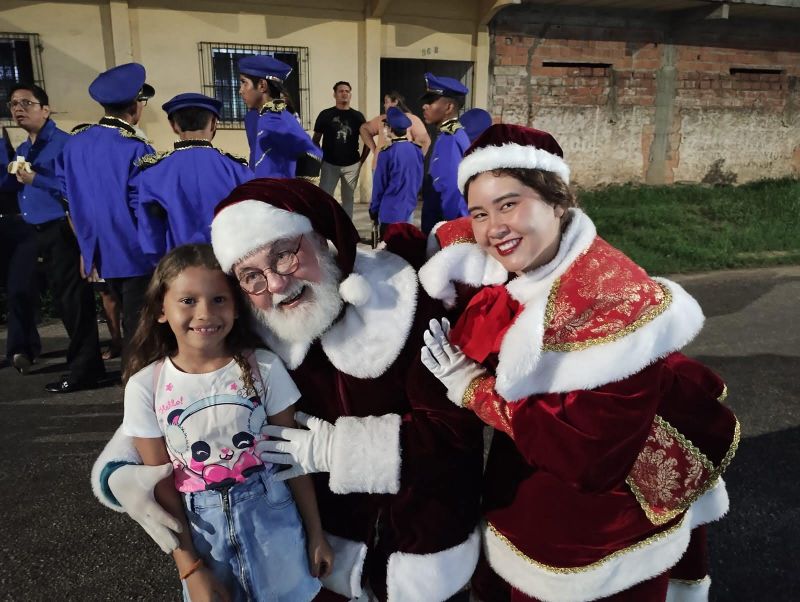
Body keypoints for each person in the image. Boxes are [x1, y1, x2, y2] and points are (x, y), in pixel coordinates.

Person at [92, 178, 484, 602]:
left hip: (416, 545)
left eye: (284, 255)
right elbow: (189, 400)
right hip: (318, 553)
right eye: (251, 276)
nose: (276, 284)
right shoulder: (259, 329)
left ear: (318, 236)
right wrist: (120, 471)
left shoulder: (403, 301)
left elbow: (455, 435)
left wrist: (337, 449)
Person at [418, 124, 740, 602]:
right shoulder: (532, 248)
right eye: (480, 212)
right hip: (524, 482)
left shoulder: (613, 301)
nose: (492, 228)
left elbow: (586, 455)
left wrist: (472, 389)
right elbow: (460, 232)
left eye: (509, 204)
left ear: (559, 200)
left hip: (602, 517)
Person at [121, 243, 330, 601]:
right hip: (203, 541)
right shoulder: (145, 387)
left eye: (219, 299)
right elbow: (160, 486)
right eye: (188, 301)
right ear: (160, 310)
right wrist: (190, 568)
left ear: (236, 306)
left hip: (275, 525)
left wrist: (316, 533)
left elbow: (293, 457)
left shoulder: (263, 367)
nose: (205, 313)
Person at [5, 83, 105, 392]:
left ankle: (85, 369)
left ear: (45, 109)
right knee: (22, 292)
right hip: (31, 232)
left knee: (73, 301)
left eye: (26, 103)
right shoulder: (23, 149)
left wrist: (37, 179)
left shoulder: (65, 144)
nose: (18, 108)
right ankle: (28, 350)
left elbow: (76, 190)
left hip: (62, 229)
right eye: (13, 104)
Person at [58, 62, 156, 357]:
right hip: (135, 252)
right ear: (136, 105)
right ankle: (139, 389)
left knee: (126, 322)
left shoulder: (75, 144)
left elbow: (68, 202)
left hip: (98, 252)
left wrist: (85, 249)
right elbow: (144, 207)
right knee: (141, 329)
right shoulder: (136, 147)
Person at [135, 92, 253, 262]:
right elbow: (251, 227)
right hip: (228, 269)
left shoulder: (153, 174)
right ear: (213, 123)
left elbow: (150, 234)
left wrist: (160, 265)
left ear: (173, 125)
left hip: (178, 270)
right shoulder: (238, 170)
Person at [237, 55, 321, 179]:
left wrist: (298, 190)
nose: (240, 90)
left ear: (262, 85)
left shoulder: (277, 118)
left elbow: (312, 153)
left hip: (275, 192)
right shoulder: (256, 117)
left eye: (244, 83)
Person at [420, 73, 471, 234]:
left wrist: (448, 230)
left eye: (431, 101)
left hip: (444, 227)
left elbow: (452, 190)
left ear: (448, 107)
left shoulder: (449, 139)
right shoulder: (452, 135)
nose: (424, 106)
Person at [313, 81, 368, 217]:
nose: (344, 93)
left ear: (350, 95)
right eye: (341, 91)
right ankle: (325, 229)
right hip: (329, 164)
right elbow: (315, 139)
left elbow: (368, 139)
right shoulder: (325, 115)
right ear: (335, 94)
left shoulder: (357, 117)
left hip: (352, 165)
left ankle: (346, 231)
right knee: (324, 198)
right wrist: (320, 159)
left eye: (347, 91)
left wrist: (361, 160)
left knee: (348, 200)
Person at [368, 107, 424, 237]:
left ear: (390, 129)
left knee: (388, 254)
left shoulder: (386, 153)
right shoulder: (416, 150)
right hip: (409, 208)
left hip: (390, 212)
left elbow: (379, 185)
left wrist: (374, 210)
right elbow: (418, 179)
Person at [359, 91, 430, 170]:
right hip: (380, 167)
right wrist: (374, 149)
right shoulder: (381, 119)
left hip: (401, 168)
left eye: (386, 102)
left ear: (395, 102)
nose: (384, 105)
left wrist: (413, 162)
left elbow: (424, 141)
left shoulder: (411, 119)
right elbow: (364, 129)